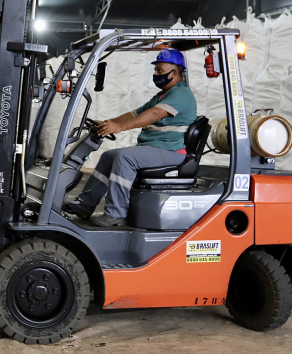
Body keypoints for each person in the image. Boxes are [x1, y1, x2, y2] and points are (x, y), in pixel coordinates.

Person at [63, 48, 197, 227]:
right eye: (155, 70)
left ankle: (115, 215)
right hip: (158, 148)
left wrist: (120, 127)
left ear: (176, 71)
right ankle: (85, 205)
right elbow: (135, 113)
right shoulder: (162, 95)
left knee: (126, 157)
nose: (156, 74)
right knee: (109, 156)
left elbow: (154, 114)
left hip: (171, 151)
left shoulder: (181, 94)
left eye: (160, 71)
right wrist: (107, 122)